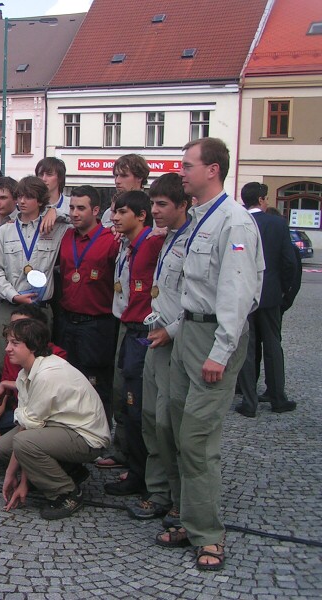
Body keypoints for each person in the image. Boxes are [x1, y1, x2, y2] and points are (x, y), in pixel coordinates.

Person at [156, 137, 263, 572]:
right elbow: (193, 291)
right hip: (188, 334)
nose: (181, 172)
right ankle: (184, 513)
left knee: (197, 440)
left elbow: (237, 296)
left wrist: (220, 352)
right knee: (170, 425)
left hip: (215, 341)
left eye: (187, 165)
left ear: (212, 170)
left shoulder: (233, 222)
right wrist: (176, 331)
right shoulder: (201, 217)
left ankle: (208, 534)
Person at [0, 318, 110, 520]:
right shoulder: (27, 372)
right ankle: (70, 472)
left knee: (21, 443)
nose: (7, 349)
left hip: (86, 437)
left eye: (14, 343)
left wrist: (12, 477)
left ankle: (66, 493)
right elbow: (27, 424)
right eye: (8, 342)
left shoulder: (47, 374)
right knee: (4, 446)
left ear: (32, 347)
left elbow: (27, 432)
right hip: (60, 427)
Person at [127, 173, 191, 525]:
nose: (155, 211)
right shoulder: (163, 237)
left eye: (162, 205)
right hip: (156, 335)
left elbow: (198, 299)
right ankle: (158, 492)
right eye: (152, 204)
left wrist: (173, 330)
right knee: (151, 418)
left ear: (183, 205)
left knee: (169, 422)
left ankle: (177, 497)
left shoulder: (191, 238)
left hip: (177, 339)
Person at [103, 191, 163, 498]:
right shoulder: (126, 245)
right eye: (114, 211)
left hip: (143, 330)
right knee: (125, 400)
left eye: (121, 212)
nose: (114, 217)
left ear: (141, 215)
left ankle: (143, 476)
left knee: (136, 404)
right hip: (127, 325)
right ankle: (133, 463)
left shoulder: (153, 244)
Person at [0, 176, 70, 374]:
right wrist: (14, 295)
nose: (22, 201)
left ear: (41, 200)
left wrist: (54, 210)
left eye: (29, 197)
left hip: (40, 308)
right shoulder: (4, 232)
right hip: (10, 305)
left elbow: (78, 219)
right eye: (20, 196)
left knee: (38, 365)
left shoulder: (57, 228)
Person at [0, 304, 67, 466]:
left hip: (48, 419)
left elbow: (47, 394)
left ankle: (59, 467)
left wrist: (9, 384)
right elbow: (3, 396)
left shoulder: (57, 354)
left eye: (21, 326)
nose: (14, 331)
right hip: (18, 413)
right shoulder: (12, 354)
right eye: (11, 326)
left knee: (27, 443)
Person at [56, 186, 119, 431]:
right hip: (67, 320)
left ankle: (99, 434)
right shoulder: (66, 236)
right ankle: (70, 431)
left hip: (97, 323)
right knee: (68, 380)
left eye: (81, 208)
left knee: (96, 382)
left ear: (96, 210)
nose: (74, 213)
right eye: (71, 207)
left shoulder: (111, 241)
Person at [235, 182, 298, 416]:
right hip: (270, 294)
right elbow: (289, 262)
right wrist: (282, 290)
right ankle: (277, 397)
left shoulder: (237, 221)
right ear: (261, 200)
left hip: (244, 294)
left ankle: (248, 402)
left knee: (247, 348)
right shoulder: (277, 223)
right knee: (272, 346)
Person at [101, 154, 150, 227]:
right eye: (116, 176)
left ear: (139, 177)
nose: (117, 181)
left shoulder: (153, 210)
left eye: (124, 176)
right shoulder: (109, 213)